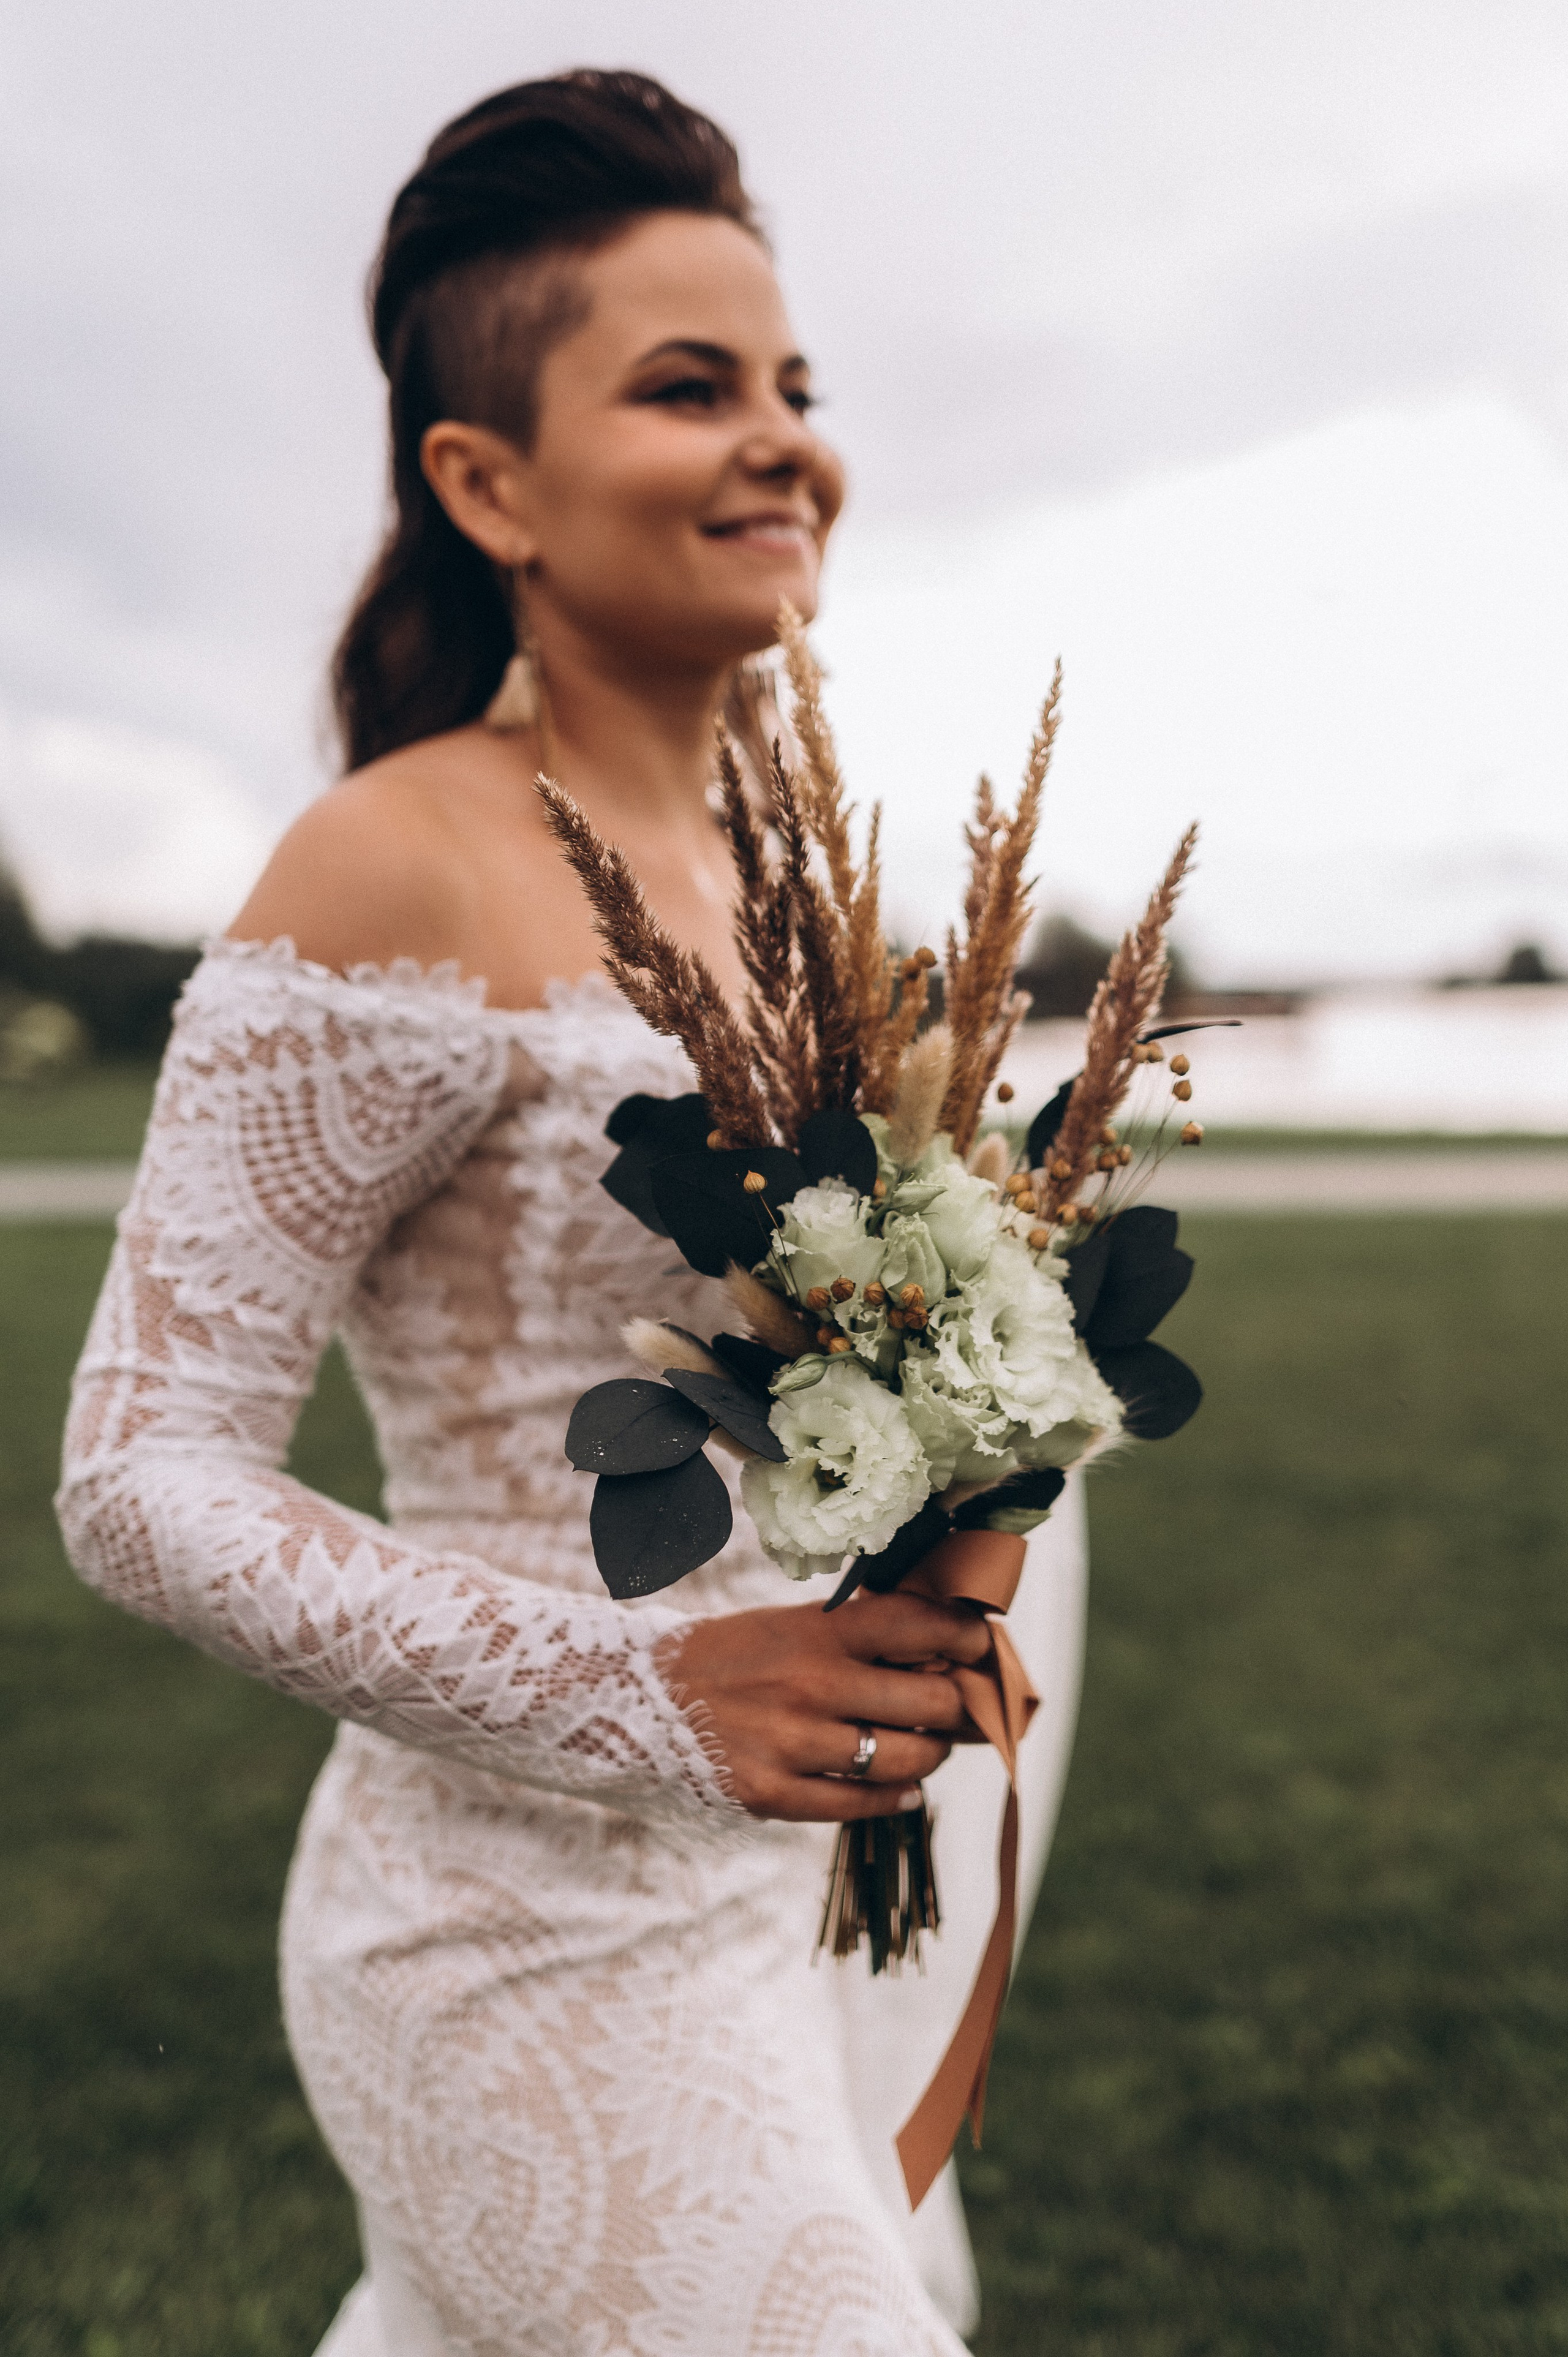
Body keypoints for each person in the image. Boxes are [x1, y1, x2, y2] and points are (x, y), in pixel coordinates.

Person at [56, 70, 1088, 2356]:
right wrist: (642, 1694)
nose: (784, 441)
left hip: (807, 1890)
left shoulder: (799, 894)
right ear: (485, 481)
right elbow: (136, 1473)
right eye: (688, 387)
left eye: (796, 386)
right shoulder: (392, 862)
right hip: (516, 1929)